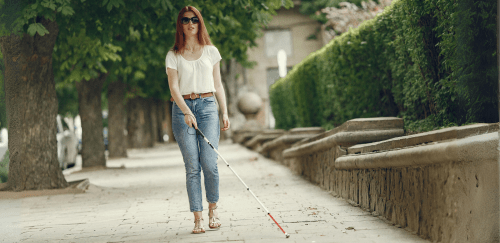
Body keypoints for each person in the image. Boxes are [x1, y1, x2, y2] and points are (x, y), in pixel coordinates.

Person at [165, 6, 230, 234]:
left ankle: (213, 209)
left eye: (194, 19)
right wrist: (185, 111)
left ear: (199, 23)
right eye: (185, 20)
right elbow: (173, 88)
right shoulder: (173, 54)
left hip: (208, 107)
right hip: (182, 109)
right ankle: (198, 218)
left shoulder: (211, 51)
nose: (190, 23)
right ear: (180, 25)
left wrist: (224, 111)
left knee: (209, 164)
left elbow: (218, 84)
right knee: (192, 166)